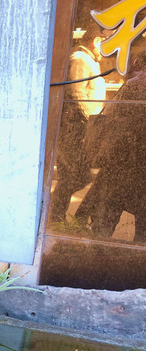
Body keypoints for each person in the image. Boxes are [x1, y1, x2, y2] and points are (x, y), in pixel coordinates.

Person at [74, 51, 146, 242]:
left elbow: (113, 113)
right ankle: (138, 254)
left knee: (108, 211)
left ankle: (98, 247)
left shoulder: (132, 85)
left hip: (122, 156)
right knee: (143, 222)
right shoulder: (136, 85)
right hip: (138, 160)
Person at [48, 28, 106, 222]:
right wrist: (91, 121)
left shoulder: (89, 60)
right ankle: (54, 214)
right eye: (104, 44)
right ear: (95, 41)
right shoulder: (80, 59)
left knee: (76, 175)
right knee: (75, 175)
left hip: (81, 129)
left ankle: (54, 214)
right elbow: (76, 93)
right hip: (74, 129)